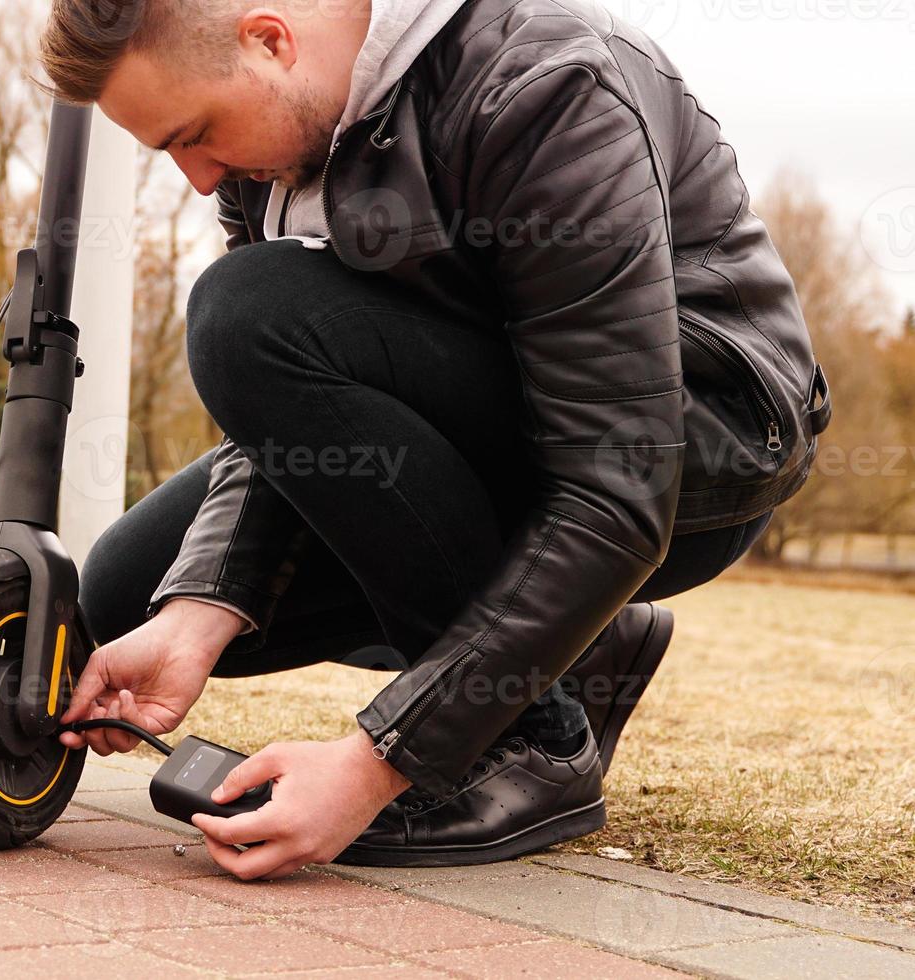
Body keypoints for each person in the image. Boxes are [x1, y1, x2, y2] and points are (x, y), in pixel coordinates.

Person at [43, 0, 832, 880]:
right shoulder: (266, 143)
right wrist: (203, 609)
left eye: (195, 135)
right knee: (132, 595)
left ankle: (530, 746)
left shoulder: (544, 86)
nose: (198, 176)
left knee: (243, 312)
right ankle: (572, 650)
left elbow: (617, 484)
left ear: (269, 41)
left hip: (689, 445)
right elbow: (290, 412)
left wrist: (383, 760)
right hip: (502, 432)